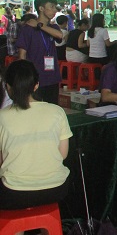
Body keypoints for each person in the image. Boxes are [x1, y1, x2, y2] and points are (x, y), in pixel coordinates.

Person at [0, 60, 72, 210]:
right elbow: (63, 154)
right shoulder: (57, 112)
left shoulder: (2, 117)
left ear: (7, 87)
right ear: (36, 85)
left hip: (14, 193)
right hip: (57, 189)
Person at [16, 0, 63, 104]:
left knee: (52, 108)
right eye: (51, 6)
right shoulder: (27, 29)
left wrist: (39, 25)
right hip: (35, 78)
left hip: (52, 77)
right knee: (35, 108)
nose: (55, 10)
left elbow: (60, 35)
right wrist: (24, 78)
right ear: (41, 8)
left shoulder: (53, 27)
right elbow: (22, 55)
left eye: (55, 7)